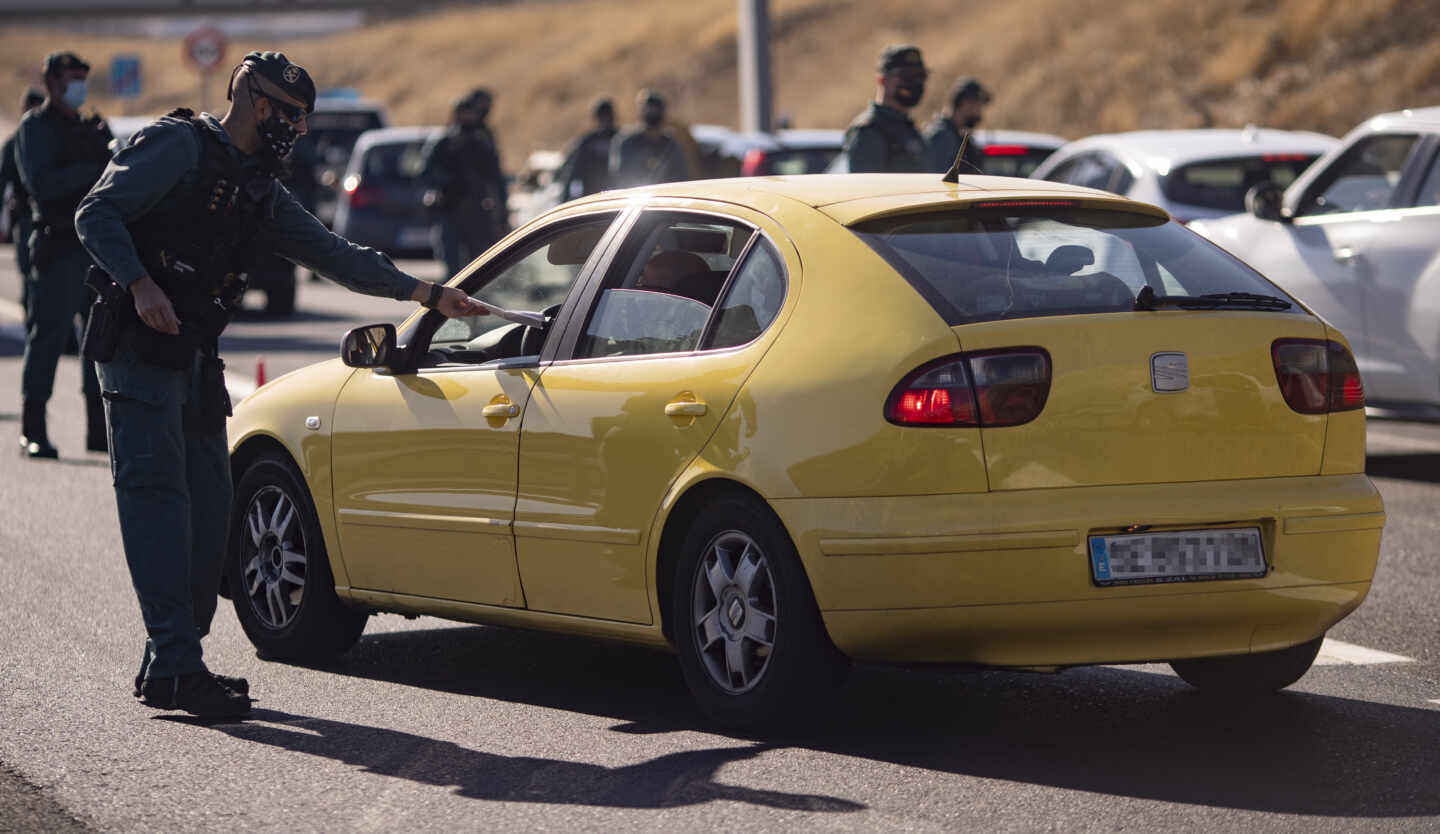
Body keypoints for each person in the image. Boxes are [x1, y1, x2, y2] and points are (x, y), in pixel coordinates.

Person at [74, 51, 486, 718]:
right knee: (159, 510)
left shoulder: (258, 185)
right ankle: (179, 666)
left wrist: (429, 293)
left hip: (195, 357)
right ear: (258, 104)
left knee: (212, 518)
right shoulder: (177, 146)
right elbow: (95, 215)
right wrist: (140, 282)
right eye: (290, 116)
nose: (296, 130)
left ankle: (168, 661)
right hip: (137, 351)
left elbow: (334, 256)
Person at [15, 52, 112, 458]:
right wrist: (90, 170)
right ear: (51, 82)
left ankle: (97, 431)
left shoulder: (90, 127)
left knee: (99, 341)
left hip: (95, 249)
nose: (79, 88)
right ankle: (33, 428)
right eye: (72, 79)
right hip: (58, 247)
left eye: (82, 79)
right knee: (48, 339)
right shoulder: (35, 128)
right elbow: (42, 184)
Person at [419, 88, 509, 277]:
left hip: (477, 210)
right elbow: (425, 173)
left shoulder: (482, 141)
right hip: (450, 208)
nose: (466, 117)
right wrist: (443, 186)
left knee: (478, 267)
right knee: (452, 266)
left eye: (469, 113)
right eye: (462, 113)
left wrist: (501, 209)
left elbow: (495, 177)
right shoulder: (443, 142)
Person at [842, 45, 930, 173]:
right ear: (883, 80)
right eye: (907, 76)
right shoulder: (869, 130)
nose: (915, 83)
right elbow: (866, 188)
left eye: (920, 76)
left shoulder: (908, 128)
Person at [2, 88, 45, 319]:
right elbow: (3, 183)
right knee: (29, 274)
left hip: (48, 220)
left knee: (47, 278)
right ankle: (31, 319)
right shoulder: (14, 143)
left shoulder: (51, 139)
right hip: (25, 219)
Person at [610, 89, 689, 189]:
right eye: (648, 109)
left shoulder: (670, 144)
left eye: (655, 109)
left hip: (665, 199)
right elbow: (620, 177)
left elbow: (681, 177)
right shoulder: (628, 142)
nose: (652, 112)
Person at [924, 77, 992, 174]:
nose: (980, 113)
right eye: (978, 105)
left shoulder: (958, 136)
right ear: (965, 103)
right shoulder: (941, 137)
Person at [557, 97, 617, 200]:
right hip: (591, 197)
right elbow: (573, 171)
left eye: (608, 116)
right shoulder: (587, 142)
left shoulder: (621, 140)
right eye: (602, 117)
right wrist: (566, 200)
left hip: (617, 196)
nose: (605, 121)